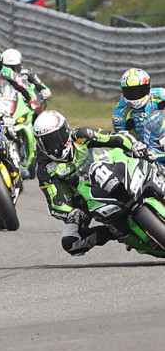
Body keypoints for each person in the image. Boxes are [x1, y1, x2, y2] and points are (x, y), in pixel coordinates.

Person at [34, 109, 146, 255]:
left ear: (65, 130)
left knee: (149, 157)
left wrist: (134, 145)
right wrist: (70, 213)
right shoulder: (44, 168)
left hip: (109, 170)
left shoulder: (81, 135)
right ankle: (113, 232)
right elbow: (54, 201)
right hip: (85, 200)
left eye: (56, 137)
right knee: (71, 243)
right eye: (47, 141)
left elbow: (116, 137)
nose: (54, 145)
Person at [112, 68, 165, 142]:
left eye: (138, 90)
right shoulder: (121, 105)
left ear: (147, 88)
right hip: (139, 143)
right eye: (130, 91)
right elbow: (120, 133)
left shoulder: (160, 94)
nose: (134, 94)